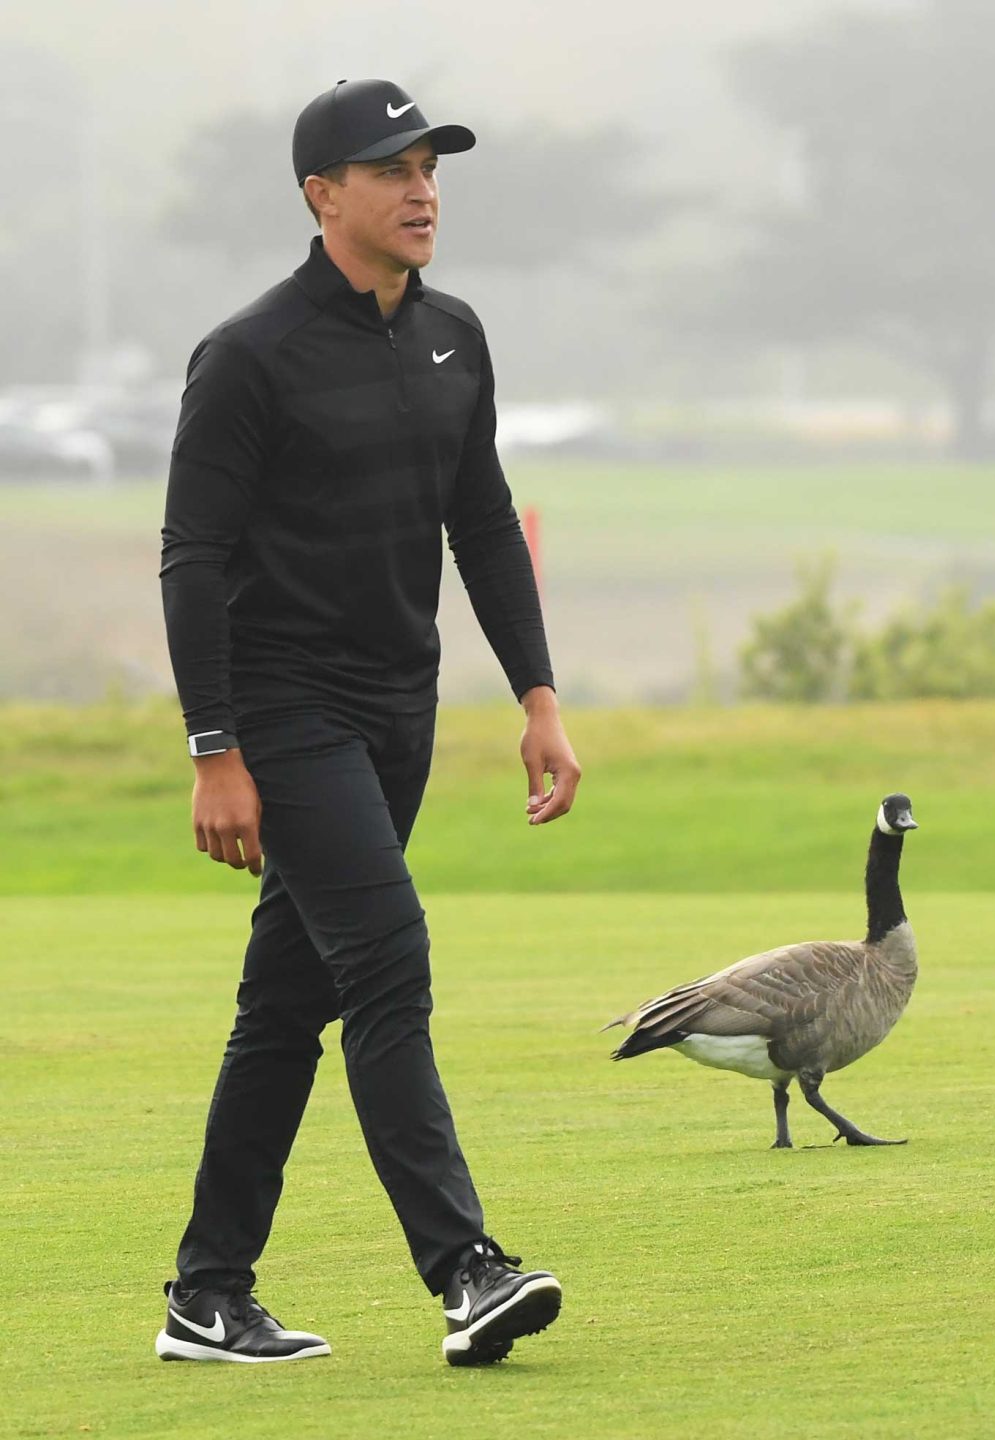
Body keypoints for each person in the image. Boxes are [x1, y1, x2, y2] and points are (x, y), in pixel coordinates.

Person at [154, 79, 578, 1368]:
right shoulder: (250, 354)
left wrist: (538, 697)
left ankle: (206, 1293)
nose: (422, 188)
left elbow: (485, 526)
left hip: (401, 711)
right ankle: (466, 1270)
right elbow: (189, 558)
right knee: (388, 959)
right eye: (390, 169)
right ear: (320, 195)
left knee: (287, 1005)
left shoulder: (456, 334)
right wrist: (213, 748)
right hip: (285, 711)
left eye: (431, 165)